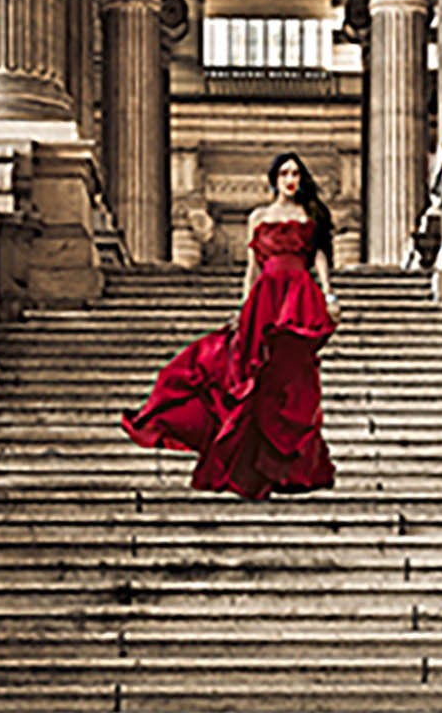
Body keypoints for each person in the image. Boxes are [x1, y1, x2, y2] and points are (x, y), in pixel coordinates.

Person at [122, 152, 339, 498]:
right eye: (284, 173)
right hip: (265, 299)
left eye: (296, 173)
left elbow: (319, 257)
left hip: (297, 297)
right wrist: (243, 309)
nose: (291, 179)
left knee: (294, 380)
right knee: (252, 378)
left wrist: (329, 296)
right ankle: (253, 469)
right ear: (274, 179)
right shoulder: (258, 217)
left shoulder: (309, 216)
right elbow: (251, 270)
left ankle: (290, 469)